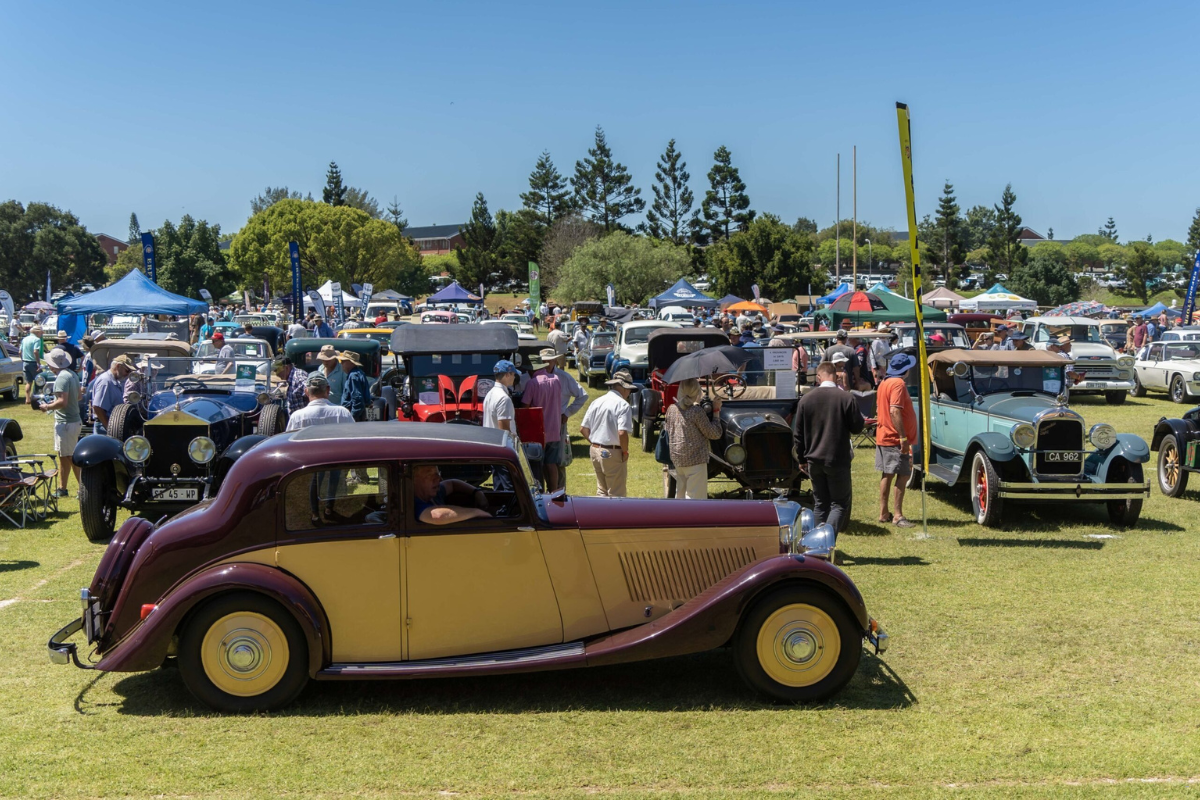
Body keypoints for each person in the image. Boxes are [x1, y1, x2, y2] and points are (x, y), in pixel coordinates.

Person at [792, 362, 864, 532]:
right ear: (836, 376)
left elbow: (798, 434)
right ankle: (824, 543)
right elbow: (857, 427)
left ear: (818, 377)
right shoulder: (846, 398)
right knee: (839, 504)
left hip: (813, 459)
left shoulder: (806, 399)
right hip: (837, 459)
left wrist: (801, 459)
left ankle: (817, 545)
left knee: (820, 504)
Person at [875, 353, 919, 528]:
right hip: (894, 437)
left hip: (884, 434)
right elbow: (894, 410)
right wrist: (903, 437)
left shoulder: (884, 383)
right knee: (903, 474)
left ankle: (884, 513)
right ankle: (897, 516)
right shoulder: (898, 384)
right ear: (906, 370)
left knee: (888, 474)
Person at [580, 369, 635, 498]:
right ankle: (616, 518)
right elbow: (622, 433)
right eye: (629, 389)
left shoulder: (597, 402)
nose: (629, 393)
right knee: (617, 494)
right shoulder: (623, 405)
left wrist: (595, 443)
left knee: (601, 491)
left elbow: (583, 429)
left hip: (595, 450)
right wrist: (625, 451)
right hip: (613, 452)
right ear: (623, 388)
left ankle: (600, 517)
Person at [664, 378, 722, 499]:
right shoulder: (696, 411)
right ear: (697, 392)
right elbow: (714, 433)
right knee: (695, 500)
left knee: (680, 494)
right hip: (695, 459)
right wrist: (716, 412)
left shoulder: (671, 409)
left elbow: (668, 431)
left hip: (678, 458)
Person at [521, 349, 564, 492]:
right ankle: (554, 492)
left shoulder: (532, 383)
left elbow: (525, 407)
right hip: (555, 428)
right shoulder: (556, 380)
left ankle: (540, 493)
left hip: (538, 431)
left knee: (537, 464)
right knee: (551, 463)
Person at [40, 349, 82, 498]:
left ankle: (83, 489)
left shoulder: (62, 378)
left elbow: (63, 402)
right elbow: (78, 396)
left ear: (53, 365)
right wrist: (55, 402)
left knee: (71, 457)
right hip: (70, 422)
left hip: (66, 423)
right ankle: (62, 488)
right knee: (63, 456)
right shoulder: (73, 374)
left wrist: (47, 406)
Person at [413, 464, 492, 525]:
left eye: (437, 474)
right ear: (414, 480)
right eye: (430, 475)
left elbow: (452, 483)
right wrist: (477, 512)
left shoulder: (435, 494)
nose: (438, 479)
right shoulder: (414, 503)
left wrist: (477, 493)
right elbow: (437, 516)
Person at [285, 372, 354, 431]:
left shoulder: (297, 417)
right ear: (328, 389)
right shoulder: (343, 413)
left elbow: (289, 443)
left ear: (306, 392)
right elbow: (353, 438)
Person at [90, 354, 134, 435]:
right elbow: (97, 407)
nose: (128, 374)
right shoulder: (105, 381)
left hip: (111, 425)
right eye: (127, 371)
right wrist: (109, 428)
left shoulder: (115, 381)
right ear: (118, 366)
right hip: (104, 427)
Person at [482, 360, 519, 433]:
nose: (514, 377)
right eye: (513, 374)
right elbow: (504, 432)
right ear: (507, 375)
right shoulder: (504, 398)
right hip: (499, 443)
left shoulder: (489, 394)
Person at [338, 350, 370, 421]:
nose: (341, 363)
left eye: (343, 361)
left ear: (351, 363)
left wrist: (352, 418)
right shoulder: (359, 373)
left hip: (354, 415)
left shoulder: (353, 376)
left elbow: (357, 399)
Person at [20, 325, 44, 405]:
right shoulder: (37, 339)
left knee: (28, 382)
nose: (42, 334)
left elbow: (20, 352)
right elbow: (35, 351)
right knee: (40, 381)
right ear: (37, 332)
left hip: (25, 362)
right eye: (41, 332)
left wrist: (22, 359)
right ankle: (38, 398)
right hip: (33, 362)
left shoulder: (24, 339)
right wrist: (38, 363)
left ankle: (27, 399)